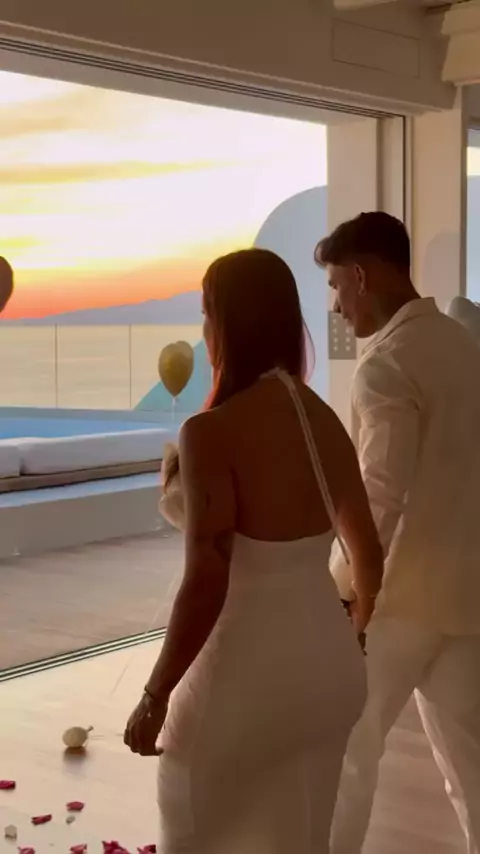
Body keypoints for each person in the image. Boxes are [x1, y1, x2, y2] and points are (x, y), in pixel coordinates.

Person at [124, 248, 383, 854]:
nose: (203, 331)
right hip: (331, 674)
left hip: (244, 680)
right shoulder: (323, 420)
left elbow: (207, 578)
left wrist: (155, 695)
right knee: (300, 839)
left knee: (195, 833)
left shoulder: (209, 432)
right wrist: (353, 632)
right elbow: (368, 555)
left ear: (228, 322)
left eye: (206, 313)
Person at [315, 212, 480, 854]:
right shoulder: (467, 347)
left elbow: (379, 493)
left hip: (397, 601)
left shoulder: (385, 365)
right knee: (470, 763)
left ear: (362, 276)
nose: (336, 304)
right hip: (466, 597)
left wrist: (351, 591)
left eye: (337, 285)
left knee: (348, 756)